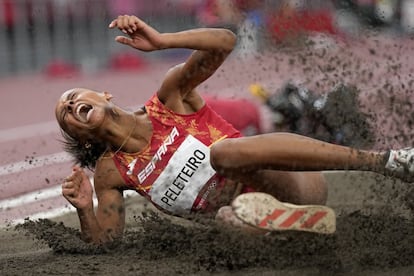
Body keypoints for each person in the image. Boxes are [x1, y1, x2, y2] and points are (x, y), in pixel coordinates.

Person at [55, 15, 414, 245]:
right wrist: (86, 209)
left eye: (72, 97)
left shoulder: (168, 101)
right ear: (80, 137)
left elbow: (225, 41)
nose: (71, 106)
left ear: (103, 94)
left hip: (292, 183)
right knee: (229, 219)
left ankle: (388, 161)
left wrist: (164, 42)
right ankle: (301, 229)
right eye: (65, 113)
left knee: (222, 153)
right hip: (251, 220)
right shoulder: (111, 173)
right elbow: (108, 243)